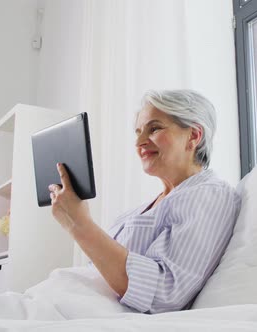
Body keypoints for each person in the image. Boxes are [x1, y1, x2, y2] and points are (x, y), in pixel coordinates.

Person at [47, 89, 241, 314]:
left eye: (155, 128)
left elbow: (164, 293)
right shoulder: (142, 210)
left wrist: (80, 225)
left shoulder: (209, 195)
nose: (139, 142)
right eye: (138, 131)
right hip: (64, 300)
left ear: (194, 136)